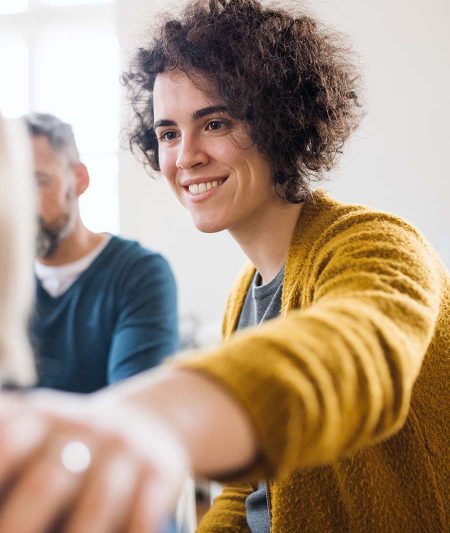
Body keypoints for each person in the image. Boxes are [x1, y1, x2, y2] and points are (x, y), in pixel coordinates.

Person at [0, 1, 448, 532]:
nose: (185, 156)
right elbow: (248, 496)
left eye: (214, 123)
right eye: (168, 133)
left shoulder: (376, 242)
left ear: (280, 122)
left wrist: (152, 414)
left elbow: (355, 352)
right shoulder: (245, 293)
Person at [25, 112, 179, 392]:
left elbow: (131, 413)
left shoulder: (140, 274)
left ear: (79, 179)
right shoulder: (9, 280)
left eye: (37, 182)